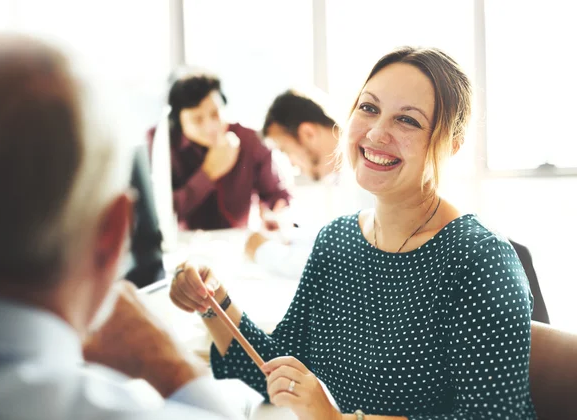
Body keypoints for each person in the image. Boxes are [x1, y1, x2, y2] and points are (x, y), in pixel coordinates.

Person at [170, 47, 537, 419]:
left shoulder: (479, 261)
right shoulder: (337, 239)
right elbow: (278, 370)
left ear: (450, 145)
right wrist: (214, 302)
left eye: (407, 120)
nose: (377, 133)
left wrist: (336, 419)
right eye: (369, 108)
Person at [0, 33, 242, 420]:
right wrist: (172, 367)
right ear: (113, 233)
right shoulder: (109, 411)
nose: (210, 124)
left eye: (214, 113)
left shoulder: (245, 144)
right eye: (198, 116)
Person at [246, 91, 373, 278]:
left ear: (308, 133)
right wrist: (289, 234)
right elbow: (336, 240)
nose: (291, 163)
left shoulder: (365, 173)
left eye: (285, 150)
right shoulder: (343, 174)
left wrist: (262, 251)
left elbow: (340, 265)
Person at [147, 74, 291, 231]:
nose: (211, 127)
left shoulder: (250, 140)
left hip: (238, 243)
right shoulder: (161, 143)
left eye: (215, 114)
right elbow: (157, 213)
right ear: (178, 121)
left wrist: (275, 213)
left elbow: (277, 196)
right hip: (183, 246)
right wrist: (207, 173)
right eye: (197, 119)